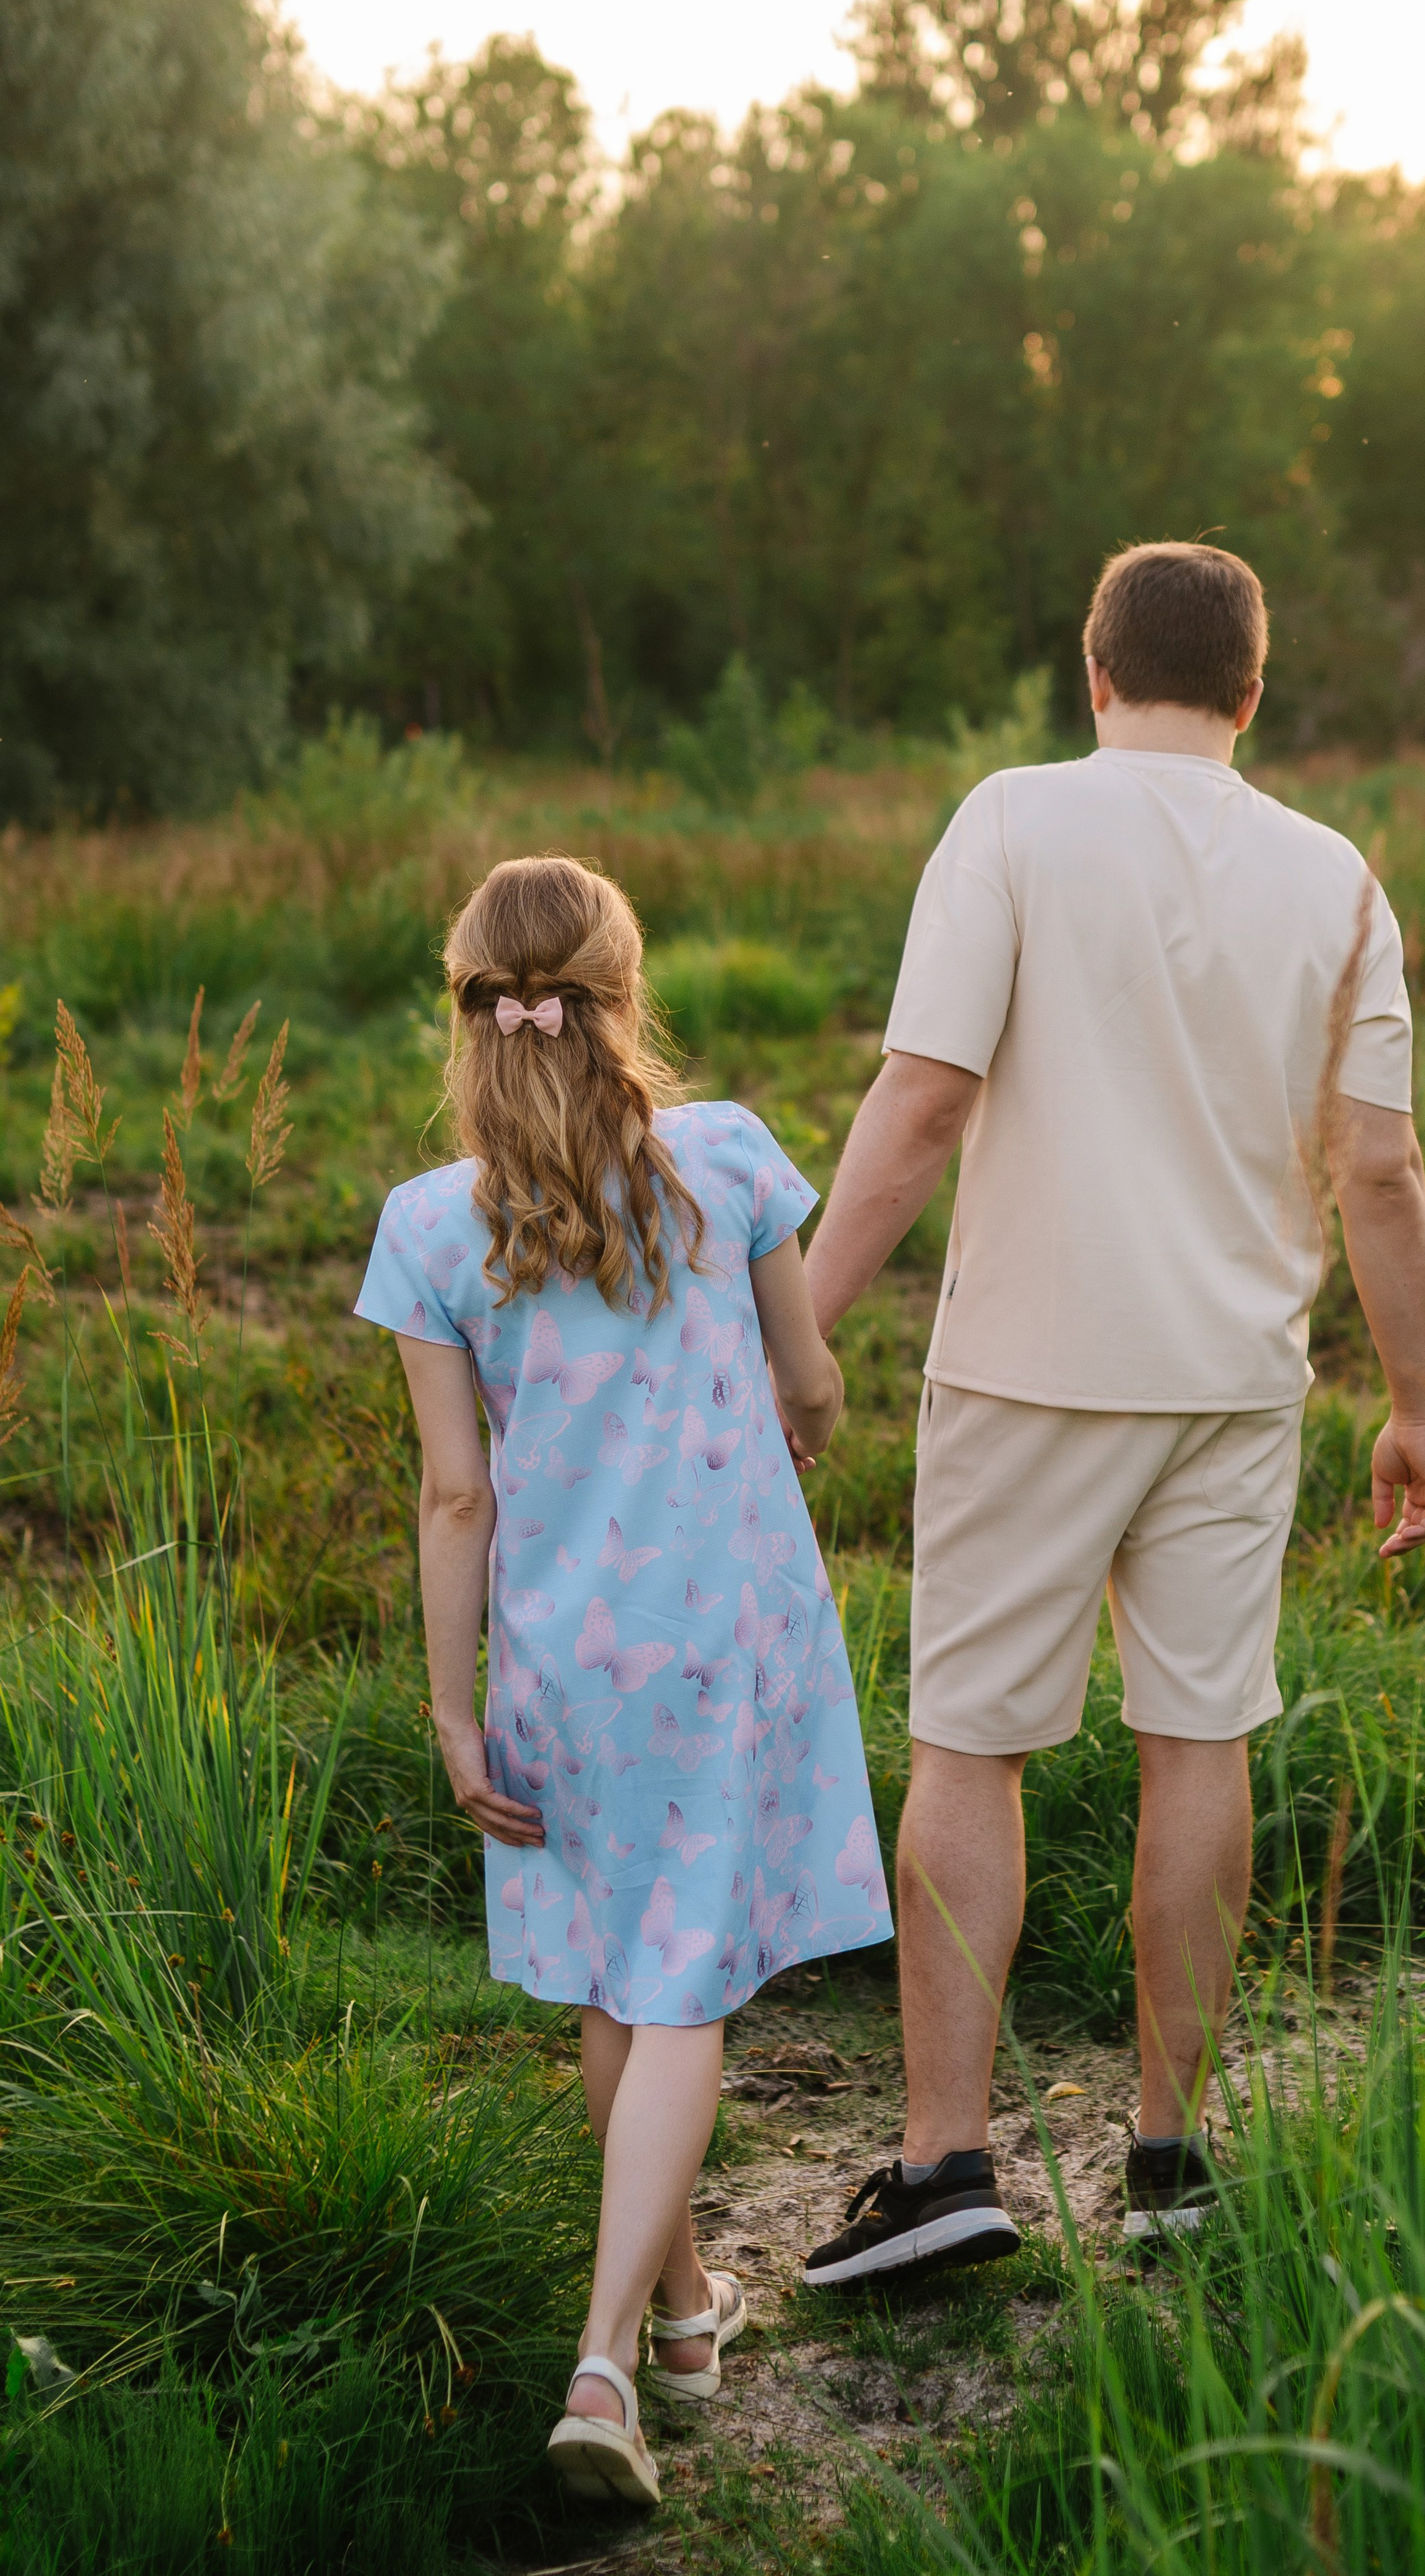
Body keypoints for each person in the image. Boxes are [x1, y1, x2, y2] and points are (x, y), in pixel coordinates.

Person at [798, 541, 1425, 2286]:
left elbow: (924, 1104)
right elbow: (1375, 1165)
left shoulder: (1009, 819)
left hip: (1028, 1364)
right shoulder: (1336, 879)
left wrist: (792, 1325)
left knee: (970, 1745)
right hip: (1236, 1383)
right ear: (1251, 691)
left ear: (1092, 673)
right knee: (1198, 1741)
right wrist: (1416, 1409)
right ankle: (1168, 2158)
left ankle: (944, 2168)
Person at [355, 855, 894, 2508]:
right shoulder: (726, 1161)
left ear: (467, 1006)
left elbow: (456, 1493)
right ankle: (604, 2357)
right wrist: (786, 1420)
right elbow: (810, 1381)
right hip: (722, 1638)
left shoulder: (429, 1224)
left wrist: (451, 1712)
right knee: (673, 1987)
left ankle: (679, 2318)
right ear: (621, 987)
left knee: (622, 1970)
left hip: (559, 1656)